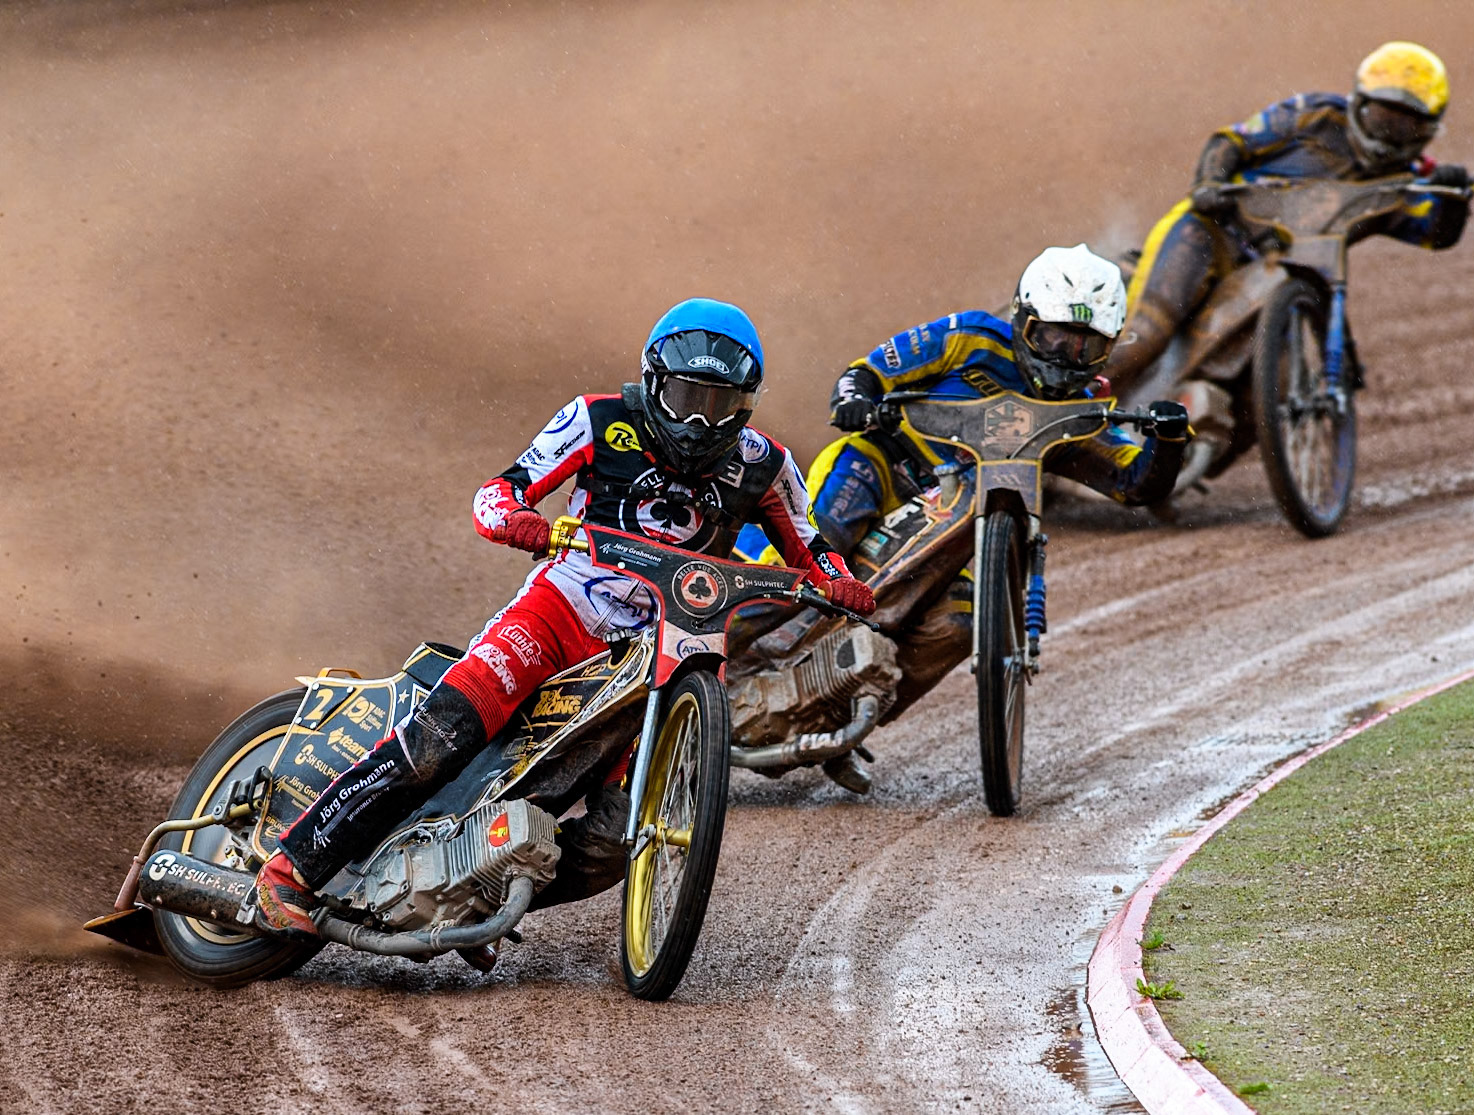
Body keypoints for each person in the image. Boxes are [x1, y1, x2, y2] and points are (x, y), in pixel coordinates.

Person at [251, 298, 876, 938]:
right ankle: (291, 868)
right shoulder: (598, 420)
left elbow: (812, 546)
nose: (696, 418)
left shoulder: (764, 464)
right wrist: (517, 521)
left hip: (666, 646)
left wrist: (843, 584)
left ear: (742, 408)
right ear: (654, 381)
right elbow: (500, 491)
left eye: (715, 403)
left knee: (612, 842)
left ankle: (480, 895)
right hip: (561, 612)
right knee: (446, 735)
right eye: (686, 395)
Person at [736, 245, 1189, 792]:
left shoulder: (1081, 412)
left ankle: (838, 716)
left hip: (976, 530)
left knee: (959, 626)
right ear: (1023, 320)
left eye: (1085, 345)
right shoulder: (969, 336)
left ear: (1107, 350)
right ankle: (709, 651)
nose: (1066, 356)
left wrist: (1168, 441)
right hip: (883, 467)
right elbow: (866, 373)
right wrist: (857, 398)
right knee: (818, 547)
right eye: (1054, 337)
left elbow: (1136, 482)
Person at [1103, 41, 1474, 402]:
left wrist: (1455, 201)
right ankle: (1071, 419)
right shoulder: (1314, 114)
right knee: (1146, 338)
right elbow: (1232, 140)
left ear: (1428, 130)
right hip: (1211, 234)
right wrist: (1208, 184)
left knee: (1269, 398)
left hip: (1277, 279)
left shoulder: (1403, 187)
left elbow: (1435, 235)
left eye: (1403, 126)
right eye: (1381, 119)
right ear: (1358, 104)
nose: (1387, 136)